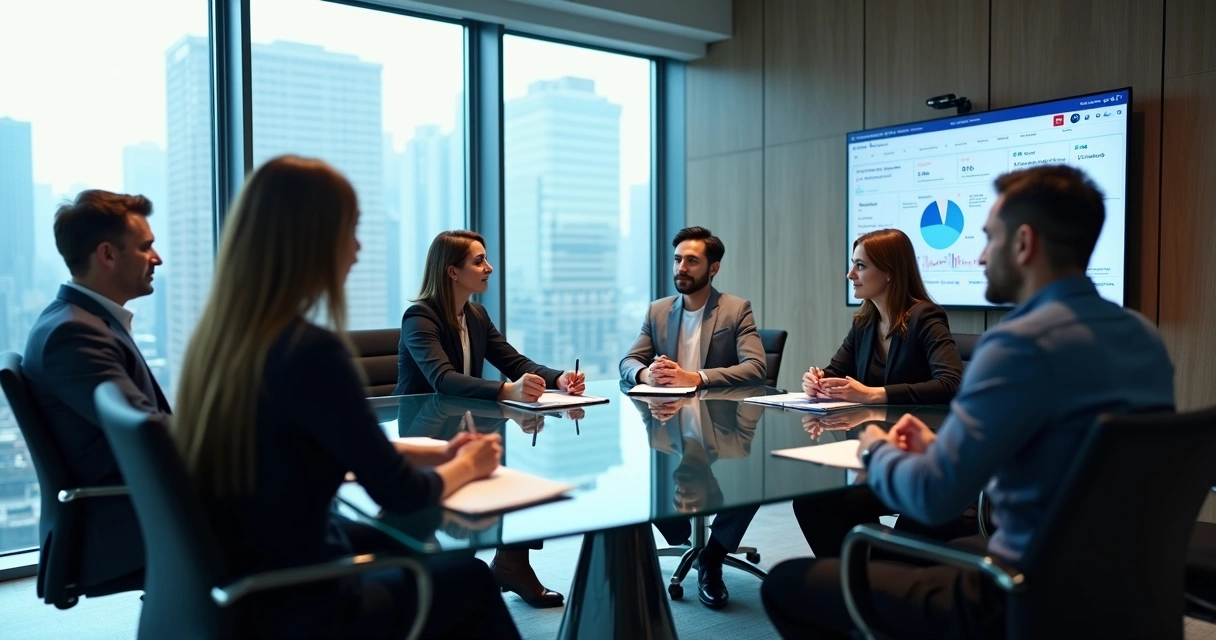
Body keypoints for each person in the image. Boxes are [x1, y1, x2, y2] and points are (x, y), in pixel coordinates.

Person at [761, 165, 1176, 638]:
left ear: (1023, 243)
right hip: (1122, 591)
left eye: (988, 238)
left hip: (1015, 594)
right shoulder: (1144, 339)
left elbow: (935, 499)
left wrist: (876, 447)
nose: (979, 257)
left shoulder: (1018, 346)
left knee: (787, 583)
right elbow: (1058, 453)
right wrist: (939, 449)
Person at [172, 155, 520, 639]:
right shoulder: (309, 352)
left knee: (425, 553)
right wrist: (469, 466)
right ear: (310, 241)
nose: (357, 248)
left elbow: (315, 448)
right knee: (469, 576)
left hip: (248, 575)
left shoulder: (216, 341)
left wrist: (440, 453)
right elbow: (400, 496)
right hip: (308, 596)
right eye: (350, 230)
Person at [395, 229, 582, 608]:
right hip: (425, 436)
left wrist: (557, 377)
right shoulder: (420, 316)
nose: (489, 268)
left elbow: (513, 362)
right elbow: (442, 379)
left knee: (521, 478)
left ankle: (513, 563)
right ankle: (458, 575)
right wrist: (505, 391)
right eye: (478, 261)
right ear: (451, 272)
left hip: (467, 428)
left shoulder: (475, 314)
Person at [22, 189, 168, 590]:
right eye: (146, 247)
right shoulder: (74, 334)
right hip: (126, 524)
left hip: (138, 504)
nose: (157, 259)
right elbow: (146, 435)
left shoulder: (83, 321)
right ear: (107, 255)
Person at [792, 228, 966, 557]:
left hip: (918, 455)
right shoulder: (865, 321)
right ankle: (852, 579)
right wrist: (816, 380)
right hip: (871, 450)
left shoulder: (925, 317)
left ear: (888, 272)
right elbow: (835, 372)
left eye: (860, 266)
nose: (850, 274)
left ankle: (862, 580)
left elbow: (950, 383)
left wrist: (873, 394)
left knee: (821, 504)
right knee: (814, 501)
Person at [620, 226, 766, 609]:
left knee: (751, 486)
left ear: (713, 268)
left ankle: (712, 555)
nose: (681, 267)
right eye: (677, 259)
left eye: (692, 260)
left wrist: (696, 377)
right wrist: (644, 374)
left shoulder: (735, 309)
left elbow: (756, 368)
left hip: (722, 424)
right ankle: (680, 532)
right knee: (638, 476)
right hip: (667, 424)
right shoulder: (658, 310)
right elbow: (628, 360)